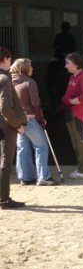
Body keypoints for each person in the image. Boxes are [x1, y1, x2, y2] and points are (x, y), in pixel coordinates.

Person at [9, 58, 56, 186]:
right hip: (29, 119)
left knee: (22, 148)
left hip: (17, 121)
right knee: (41, 146)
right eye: (30, 67)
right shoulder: (29, 82)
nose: (32, 69)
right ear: (24, 68)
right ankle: (43, 177)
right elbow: (36, 105)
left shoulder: (8, 82)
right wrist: (41, 119)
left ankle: (25, 177)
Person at [0, 47, 27, 209]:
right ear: (4, 60)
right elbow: (5, 108)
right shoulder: (4, 79)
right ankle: (3, 199)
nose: (10, 62)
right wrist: (18, 125)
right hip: (7, 126)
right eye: (9, 59)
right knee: (6, 163)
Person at [62, 52, 83, 179]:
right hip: (71, 113)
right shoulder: (73, 77)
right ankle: (82, 167)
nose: (65, 66)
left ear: (76, 64)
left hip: (80, 114)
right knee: (75, 142)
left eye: (67, 63)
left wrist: (74, 101)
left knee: (81, 142)